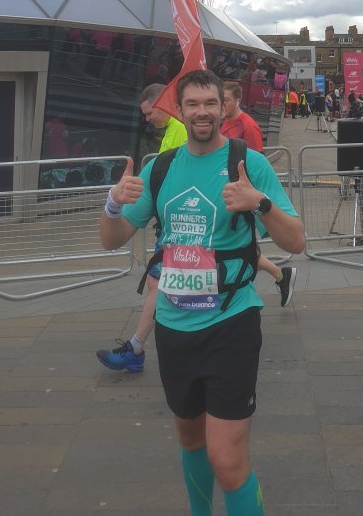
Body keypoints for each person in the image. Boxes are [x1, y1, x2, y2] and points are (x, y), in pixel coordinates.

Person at [100, 69, 305, 515]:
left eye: (210, 103)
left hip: (231, 323)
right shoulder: (161, 168)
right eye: (192, 104)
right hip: (174, 327)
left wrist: (260, 204)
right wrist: (112, 203)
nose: (202, 112)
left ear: (222, 107)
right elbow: (111, 239)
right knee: (191, 440)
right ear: (180, 109)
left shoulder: (248, 164)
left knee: (227, 461)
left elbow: (296, 241)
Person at [96, 82, 187, 373]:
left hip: (178, 227)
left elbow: (174, 179)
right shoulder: (171, 132)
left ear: (163, 104)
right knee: (156, 284)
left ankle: (136, 348)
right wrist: (113, 202)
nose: (148, 119)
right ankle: (137, 347)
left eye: (150, 113)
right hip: (170, 225)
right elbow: (112, 238)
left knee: (160, 285)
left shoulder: (179, 129)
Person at [221, 81, 297, 307]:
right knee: (244, 247)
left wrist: (256, 202)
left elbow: (258, 164)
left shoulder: (248, 125)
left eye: (226, 100)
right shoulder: (224, 123)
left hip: (246, 200)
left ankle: (248, 291)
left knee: (243, 246)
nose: (222, 105)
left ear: (237, 100)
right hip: (228, 197)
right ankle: (281, 276)